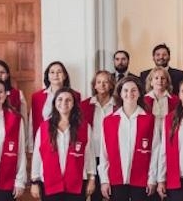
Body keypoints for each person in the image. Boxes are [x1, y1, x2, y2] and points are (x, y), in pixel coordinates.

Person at [99, 77, 159, 201]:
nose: (129, 94)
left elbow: (155, 151)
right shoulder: (109, 121)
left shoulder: (150, 120)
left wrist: (152, 178)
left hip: (142, 179)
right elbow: (104, 153)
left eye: (133, 90)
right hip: (116, 178)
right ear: (120, 93)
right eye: (125, 90)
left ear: (139, 93)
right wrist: (104, 180)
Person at [30, 87, 96, 200]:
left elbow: (89, 155)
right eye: (60, 99)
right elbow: (37, 156)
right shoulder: (44, 127)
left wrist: (92, 179)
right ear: (54, 102)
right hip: (50, 183)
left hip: (76, 184)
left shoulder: (84, 127)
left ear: (74, 104)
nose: (64, 103)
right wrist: (34, 182)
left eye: (68, 100)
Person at [80, 70, 116, 201]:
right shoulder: (84, 105)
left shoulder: (118, 105)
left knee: (112, 193)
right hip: (92, 155)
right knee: (94, 194)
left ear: (112, 85)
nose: (102, 85)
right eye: (99, 82)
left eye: (106, 82)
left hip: (112, 156)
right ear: (94, 85)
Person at [31, 62, 82, 151]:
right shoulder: (37, 97)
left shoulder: (75, 95)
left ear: (65, 75)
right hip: (45, 139)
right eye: (52, 72)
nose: (56, 75)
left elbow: (77, 118)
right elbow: (33, 122)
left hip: (68, 139)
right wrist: (32, 146)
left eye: (59, 72)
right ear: (47, 76)